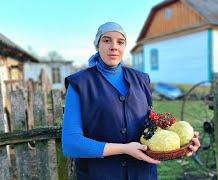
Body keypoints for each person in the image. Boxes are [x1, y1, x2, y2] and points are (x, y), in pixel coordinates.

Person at [62, 22, 200, 179]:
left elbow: (149, 127)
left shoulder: (142, 79)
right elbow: (71, 143)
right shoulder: (80, 84)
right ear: (97, 45)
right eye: (107, 40)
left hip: (143, 174)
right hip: (100, 174)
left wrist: (183, 142)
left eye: (120, 42)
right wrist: (124, 148)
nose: (114, 46)